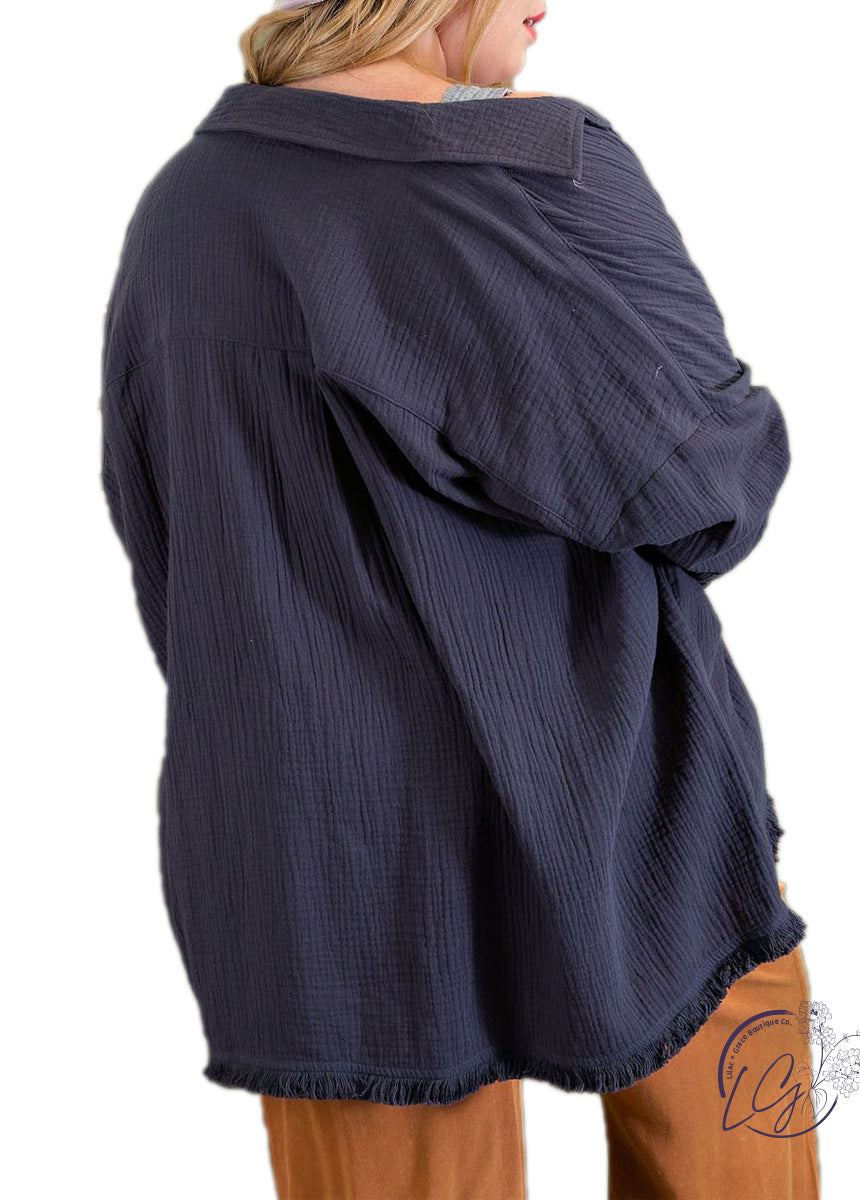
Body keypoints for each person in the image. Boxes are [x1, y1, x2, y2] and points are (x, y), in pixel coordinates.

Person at [98, 0, 821, 1195]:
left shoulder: (187, 201)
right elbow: (707, 488)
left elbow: (160, 528)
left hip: (317, 841)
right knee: (735, 1147)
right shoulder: (530, 167)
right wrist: (570, 166)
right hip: (623, 804)